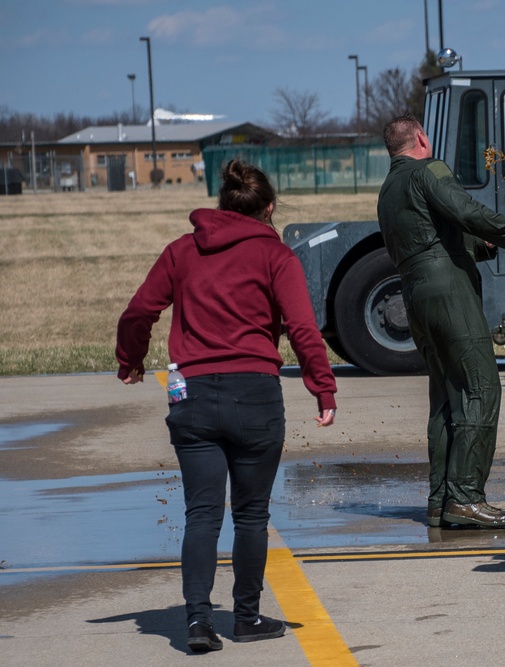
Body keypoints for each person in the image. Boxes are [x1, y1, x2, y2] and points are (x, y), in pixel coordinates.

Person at [116, 159, 338, 652]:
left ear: (222, 203)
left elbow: (138, 311)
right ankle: (246, 617)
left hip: (190, 395)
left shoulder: (181, 250)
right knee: (251, 514)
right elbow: (302, 329)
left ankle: (197, 622)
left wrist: (129, 359)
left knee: (201, 514)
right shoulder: (276, 256)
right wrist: (323, 388)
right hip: (255, 394)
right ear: (269, 207)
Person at [376, 114, 505, 529]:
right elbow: (461, 207)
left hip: (414, 293)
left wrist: (485, 241)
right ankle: (466, 498)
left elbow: (435, 236)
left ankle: (440, 500)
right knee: (481, 388)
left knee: (447, 397)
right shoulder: (428, 169)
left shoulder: (388, 189)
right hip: (448, 291)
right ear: (421, 138)